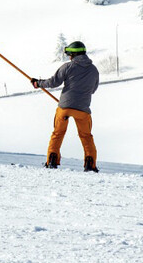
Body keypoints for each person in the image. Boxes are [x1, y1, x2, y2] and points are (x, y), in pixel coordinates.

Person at [32, 40, 100, 172]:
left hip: (64, 107)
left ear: (73, 55)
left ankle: (51, 161)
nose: (69, 57)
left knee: (58, 133)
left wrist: (38, 83)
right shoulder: (94, 70)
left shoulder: (67, 67)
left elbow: (53, 82)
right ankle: (90, 165)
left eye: (70, 54)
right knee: (86, 136)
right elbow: (93, 89)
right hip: (83, 109)